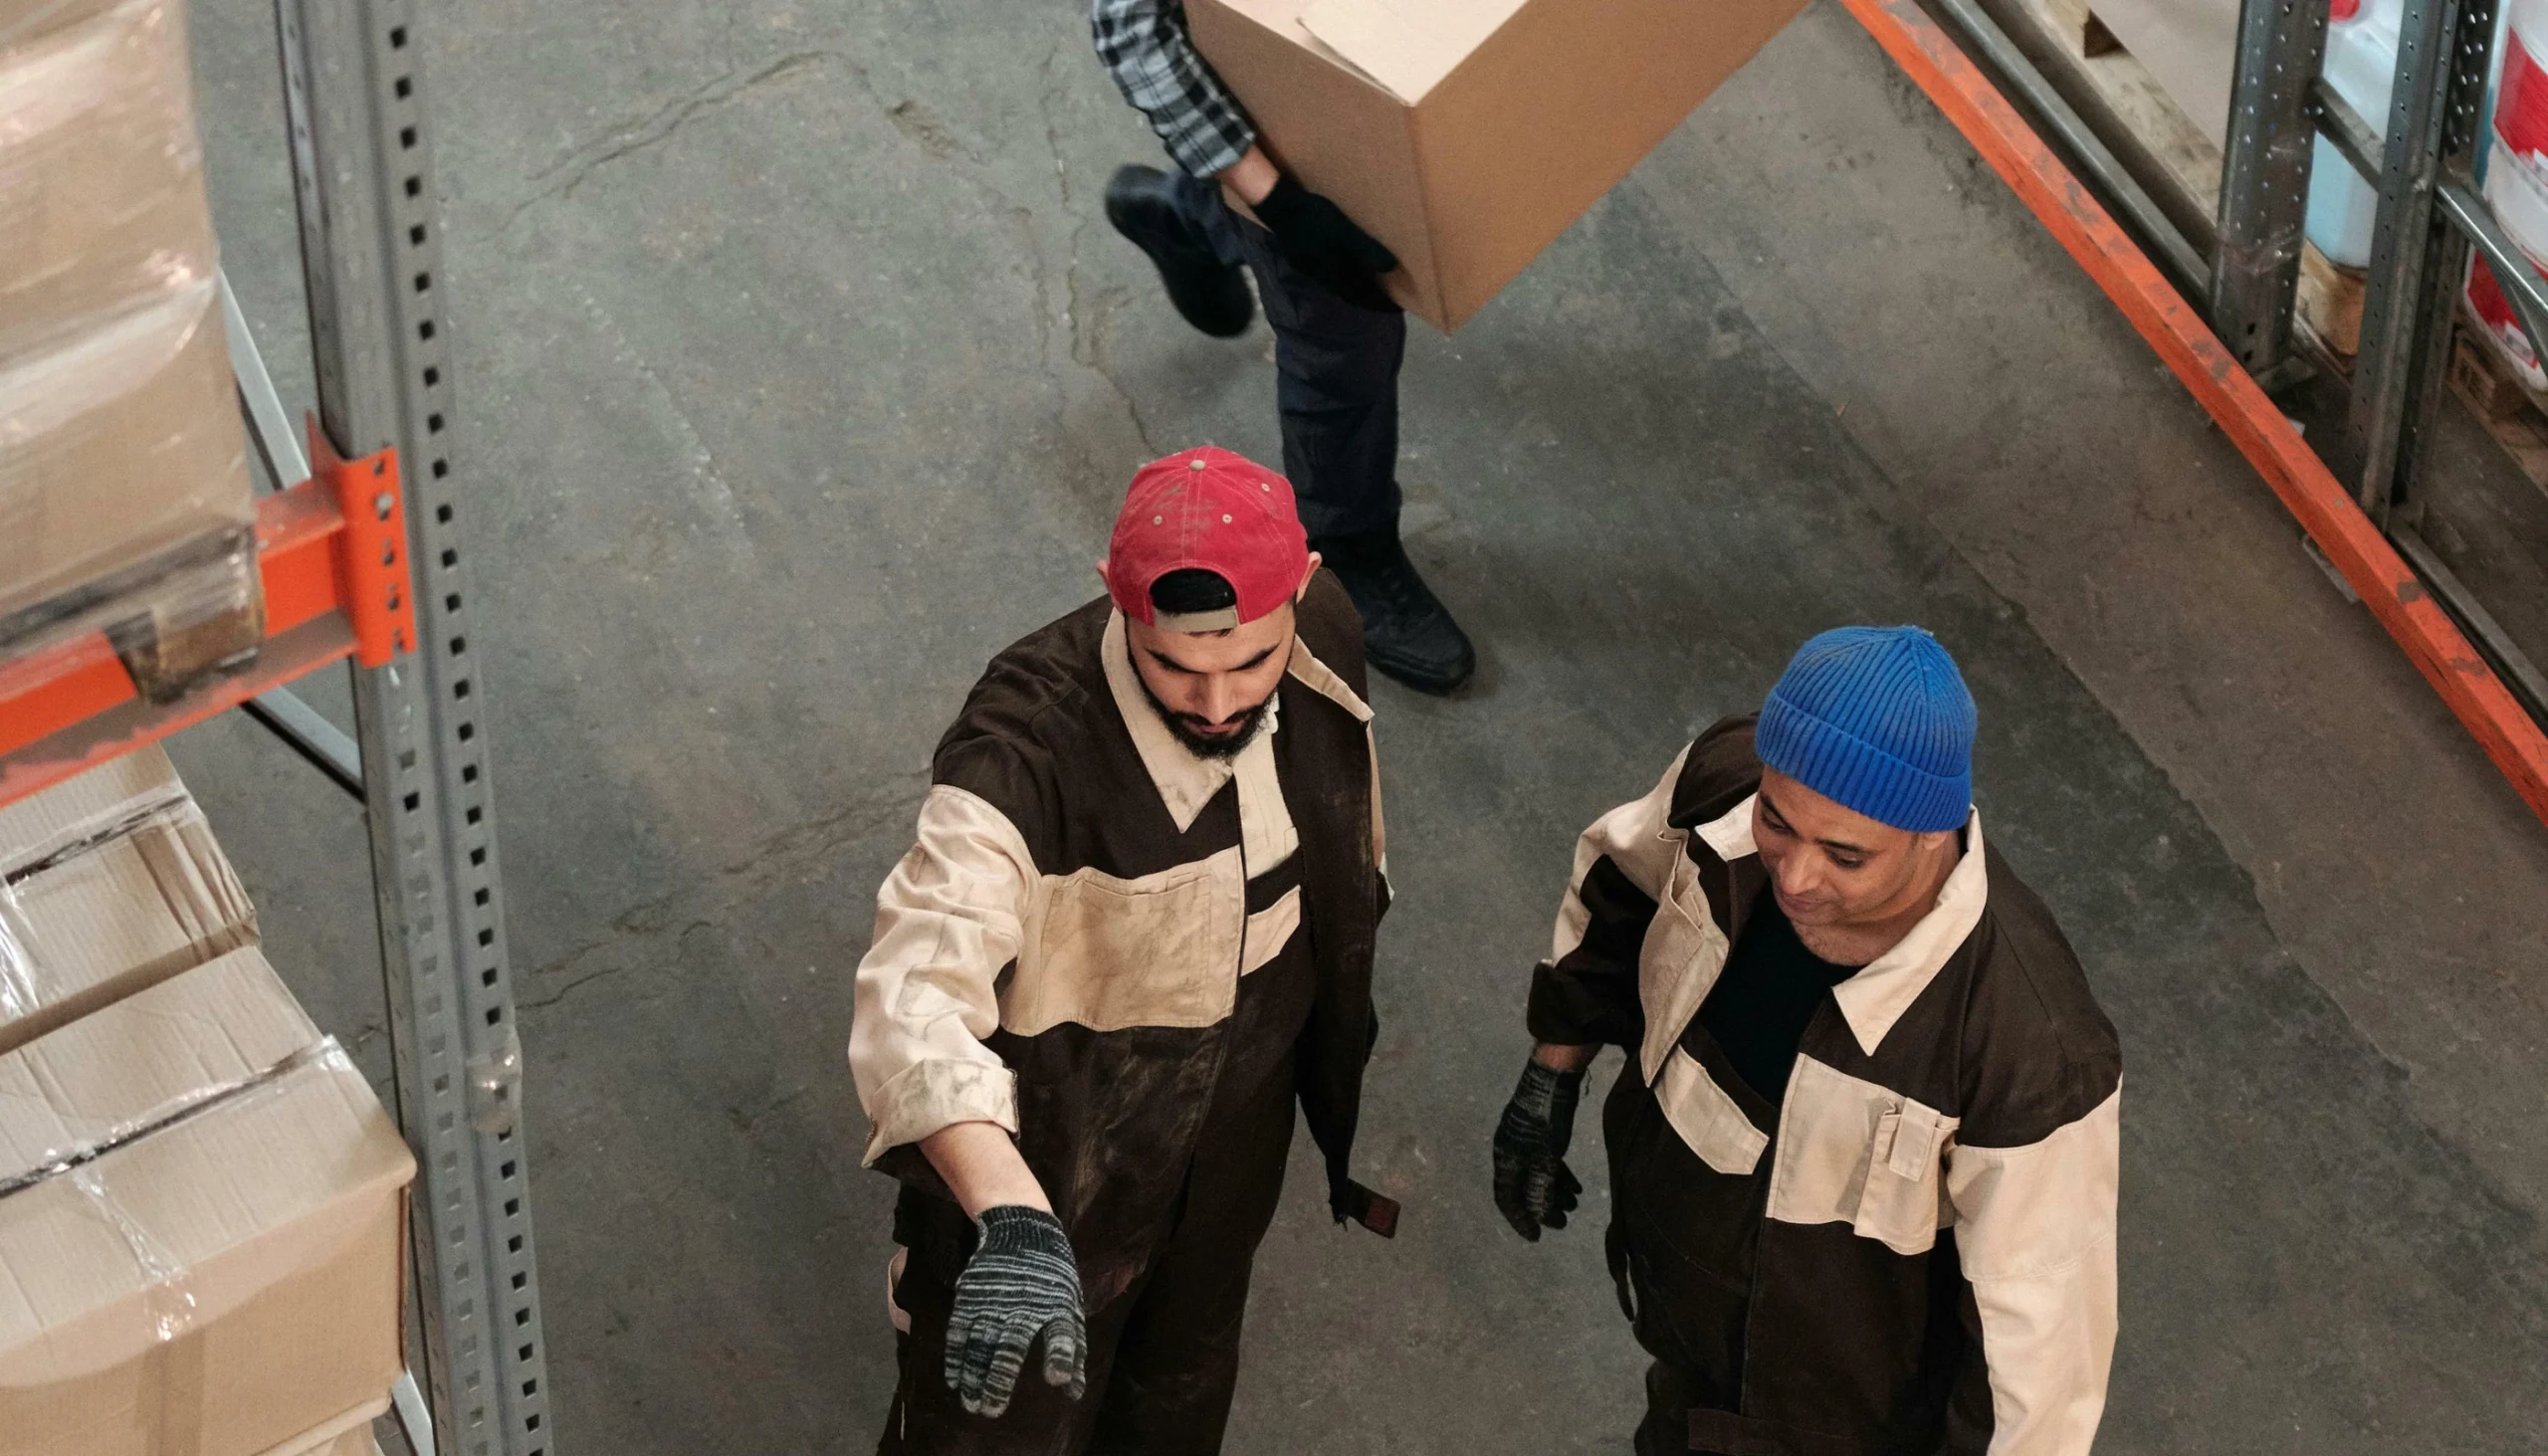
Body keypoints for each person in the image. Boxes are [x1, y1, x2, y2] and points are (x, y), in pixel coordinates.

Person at [850, 445, 1398, 1454]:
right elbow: (911, 999)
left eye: (1249, 662)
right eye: (1174, 667)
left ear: (1305, 586)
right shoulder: (1022, 757)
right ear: (1115, 601)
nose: (1220, 702)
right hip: (1055, 1174)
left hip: (1228, 1158)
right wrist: (1010, 1215)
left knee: (1175, 1406)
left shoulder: (1323, 638)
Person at [1493, 628, 2121, 1456]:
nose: (1793, 876)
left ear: (1933, 834)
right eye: (1778, 823)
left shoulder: (2030, 1052)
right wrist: (1554, 1066)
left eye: (1845, 856)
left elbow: (2033, 1378)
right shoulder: (1726, 785)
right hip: (1688, 1368)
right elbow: (1620, 886)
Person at [1089, 0, 1476, 695]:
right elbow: (1129, 28)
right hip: (1303, 126)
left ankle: (1194, 216)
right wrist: (1278, 204)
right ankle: (1347, 544)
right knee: (1344, 332)